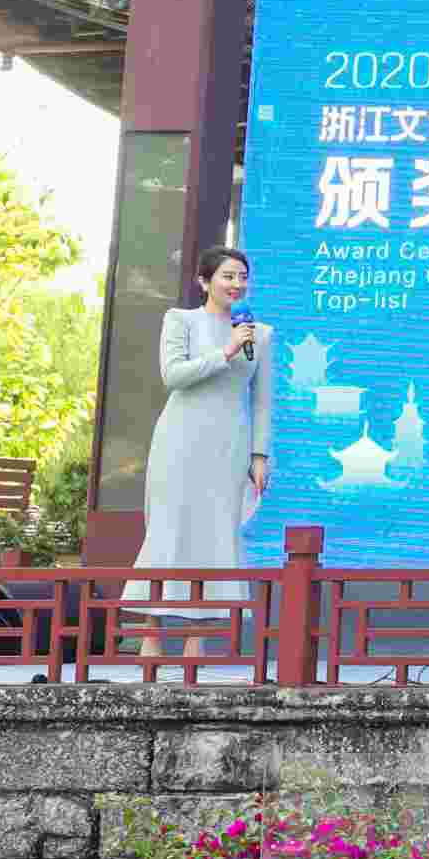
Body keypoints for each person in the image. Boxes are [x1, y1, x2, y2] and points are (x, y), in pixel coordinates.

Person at [127, 245, 274, 656]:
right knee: (168, 529)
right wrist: (226, 350)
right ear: (204, 281)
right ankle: (152, 632)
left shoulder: (260, 334)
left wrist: (259, 455)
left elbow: (262, 401)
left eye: (242, 277)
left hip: (229, 443)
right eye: (228, 276)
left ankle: (198, 637)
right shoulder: (181, 320)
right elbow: (173, 375)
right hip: (180, 439)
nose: (237, 284)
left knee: (217, 533)